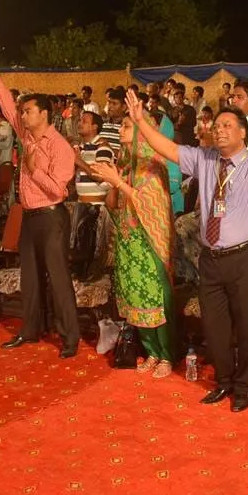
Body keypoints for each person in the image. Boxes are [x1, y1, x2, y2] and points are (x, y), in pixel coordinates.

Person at [124, 74, 248, 412]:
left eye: (229, 125)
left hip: (247, 258)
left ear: (243, 132)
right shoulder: (205, 159)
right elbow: (166, 148)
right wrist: (140, 120)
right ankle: (224, 381)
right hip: (211, 258)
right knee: (215, 326)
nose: (220, 129)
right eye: (218, 124)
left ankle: (243, 386)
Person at [0, 38, 79, 356]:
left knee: (59, 279)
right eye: (22, 112)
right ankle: (31, 329)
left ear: (45, 114)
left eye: (28, 111)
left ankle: (69, 338)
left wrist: (35, 170)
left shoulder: (59, 146)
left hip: (52, 217)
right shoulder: (25, 134)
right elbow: (5, 101)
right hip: (30, 216)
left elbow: (60, 190)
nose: (22, 116)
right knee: (31, 276)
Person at [90, 116, 176, 378]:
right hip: (129, 243)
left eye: (127, 126)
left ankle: (167, 355)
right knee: (135, 300)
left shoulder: (153, 166)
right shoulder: (126, 165)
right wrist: (112, 180)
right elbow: (113, 204)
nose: (121, 130)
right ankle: (151, 352)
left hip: (150, 245)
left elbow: (152, 204)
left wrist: (119, 183)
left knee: (155, 301)